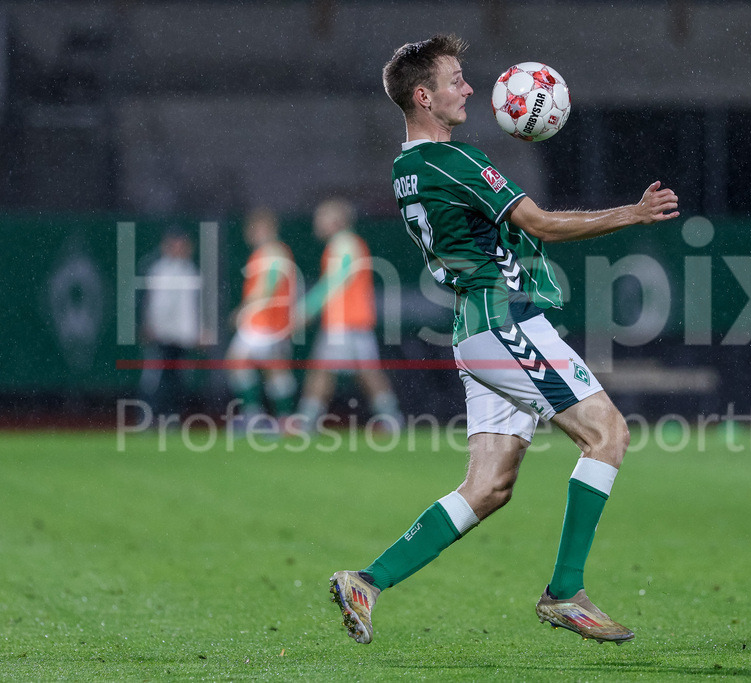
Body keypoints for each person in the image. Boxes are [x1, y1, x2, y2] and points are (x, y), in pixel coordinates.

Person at [328, 34, 678, 644]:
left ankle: (368, 581)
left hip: (476, 329)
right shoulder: (452, 161)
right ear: (423, 96)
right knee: (608, 434)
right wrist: (631, 213)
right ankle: (566, 592)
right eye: (456, 79)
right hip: (504, 323)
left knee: (488, 488)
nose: (469, 88)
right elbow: (539, 222)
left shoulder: (406, 169)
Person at [294, 198, 402, 431]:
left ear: (336, 221)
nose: (317, 223)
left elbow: (334, 281)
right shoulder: (352, 243)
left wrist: (307, 308)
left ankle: (305, 423)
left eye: (321, 218)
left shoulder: (342, 244)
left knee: (321, 371)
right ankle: (393, 419)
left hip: (342, 322)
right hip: (356, 320)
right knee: (367, 373)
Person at [225, 208, 299, 425]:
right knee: (274, 370)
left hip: (264, 322)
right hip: (271, 322)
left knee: (239, 362)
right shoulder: (274, 251)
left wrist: (245, 308)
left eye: (253, 229)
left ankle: (255, 414)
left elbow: (270, 283)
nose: (249, 234)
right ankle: (283, 418)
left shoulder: (272, 251)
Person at [139, 229, 202, 418]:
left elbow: (193, 307)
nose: (179, 249)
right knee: (155, 377)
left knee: (178, 378)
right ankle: (149, 416)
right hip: (163, 334)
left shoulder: (191, 270)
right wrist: (150, 325)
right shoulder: (160, 269)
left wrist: (195, 332)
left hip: (182, 336)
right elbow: (153, 302)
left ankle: (171, 416)